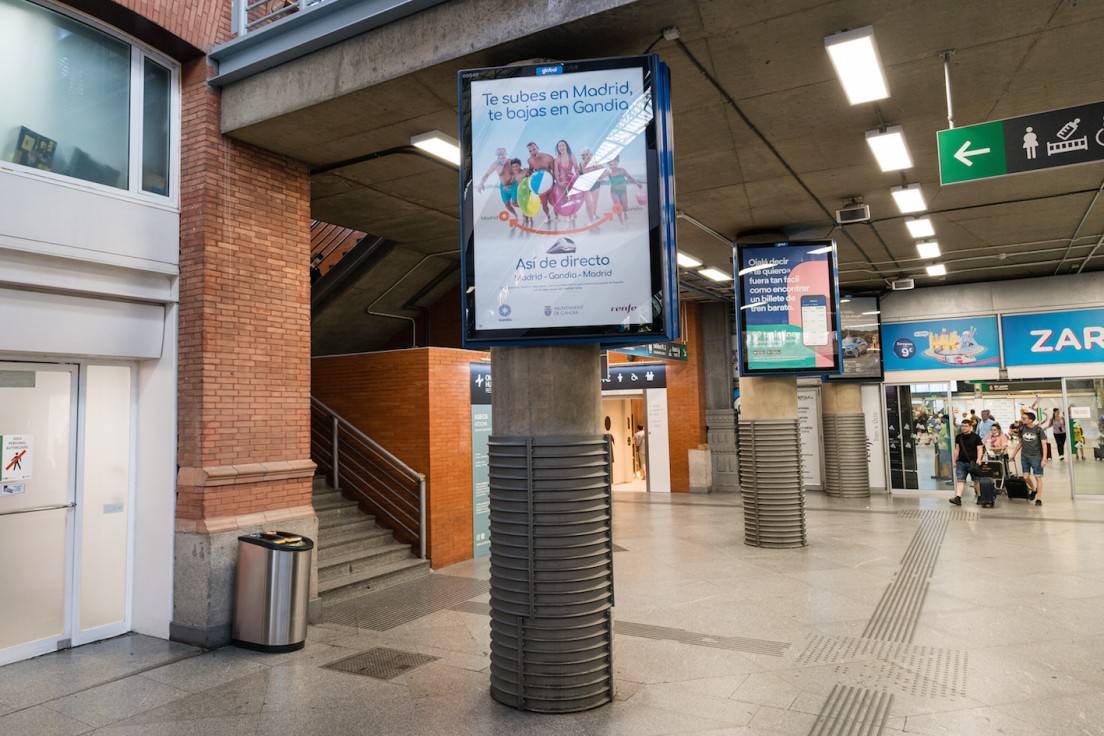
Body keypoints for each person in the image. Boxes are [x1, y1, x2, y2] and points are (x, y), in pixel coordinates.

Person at [1009, 410, 1048, 506]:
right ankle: (1034, 490)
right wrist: (1013, 455)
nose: (1022, 420)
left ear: (1031, 420)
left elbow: (1044, 445)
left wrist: (1044, 458)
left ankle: (1038, 498)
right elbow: (1020, 443)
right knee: (1026, 477)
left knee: (1038, 477)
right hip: (1024, 457)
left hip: (1036, 457)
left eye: (1024, 418)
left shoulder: (1039, 430)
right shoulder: (1022, 429)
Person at [950, 419, 985, 506]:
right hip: (961, 462)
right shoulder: (959, 437)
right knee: (960, 480)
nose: (963, 428)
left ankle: (980, 497)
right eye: (962, 426)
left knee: (976, 480)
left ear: (970, 427)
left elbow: (979, 449)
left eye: (966, 426)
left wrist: (979, 459)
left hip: (973, 462)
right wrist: (954, 461)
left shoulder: (976, 437)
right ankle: (958, 498)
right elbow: (957, 450)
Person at [549, 139, 581, 226]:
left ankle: (572, 213)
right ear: (558, 148)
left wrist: (578, 179)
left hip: (571, 179)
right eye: (559, 146)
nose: (561, 147)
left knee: (572, 197)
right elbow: (556, 172)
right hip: (562, 180)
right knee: (564, 198)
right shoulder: (557, 159)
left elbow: (576, 168)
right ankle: (568, 213)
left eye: (563, 145)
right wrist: (558, 182)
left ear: (566, 146)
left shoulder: (572, 156)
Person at [605, 155, 643, 228]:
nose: (613, 166)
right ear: (608, 164)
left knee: (625, 206)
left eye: (615, 164)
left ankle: (625, 212)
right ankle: (621, 221)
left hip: (623, 191)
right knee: (618, 207)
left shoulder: (622, 170)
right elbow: (600, 176)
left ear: (617, 162)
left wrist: (637, 183)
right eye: (611, 165)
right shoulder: (608, 172)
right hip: (614, 192)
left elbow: (629, 177)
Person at [525, 142, 556, 225]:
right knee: (544, 203)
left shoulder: (549, 157)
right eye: (530, 151)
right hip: (539, 186)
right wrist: (528, 172)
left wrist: (555, 181)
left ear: (537, 147)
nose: (532, 152)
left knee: (553, 202)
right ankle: (548, 216)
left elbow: (554, 171)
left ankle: (557, 216)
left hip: (550, 183)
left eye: (534, 149)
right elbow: (531, 171)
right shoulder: (530, 160)